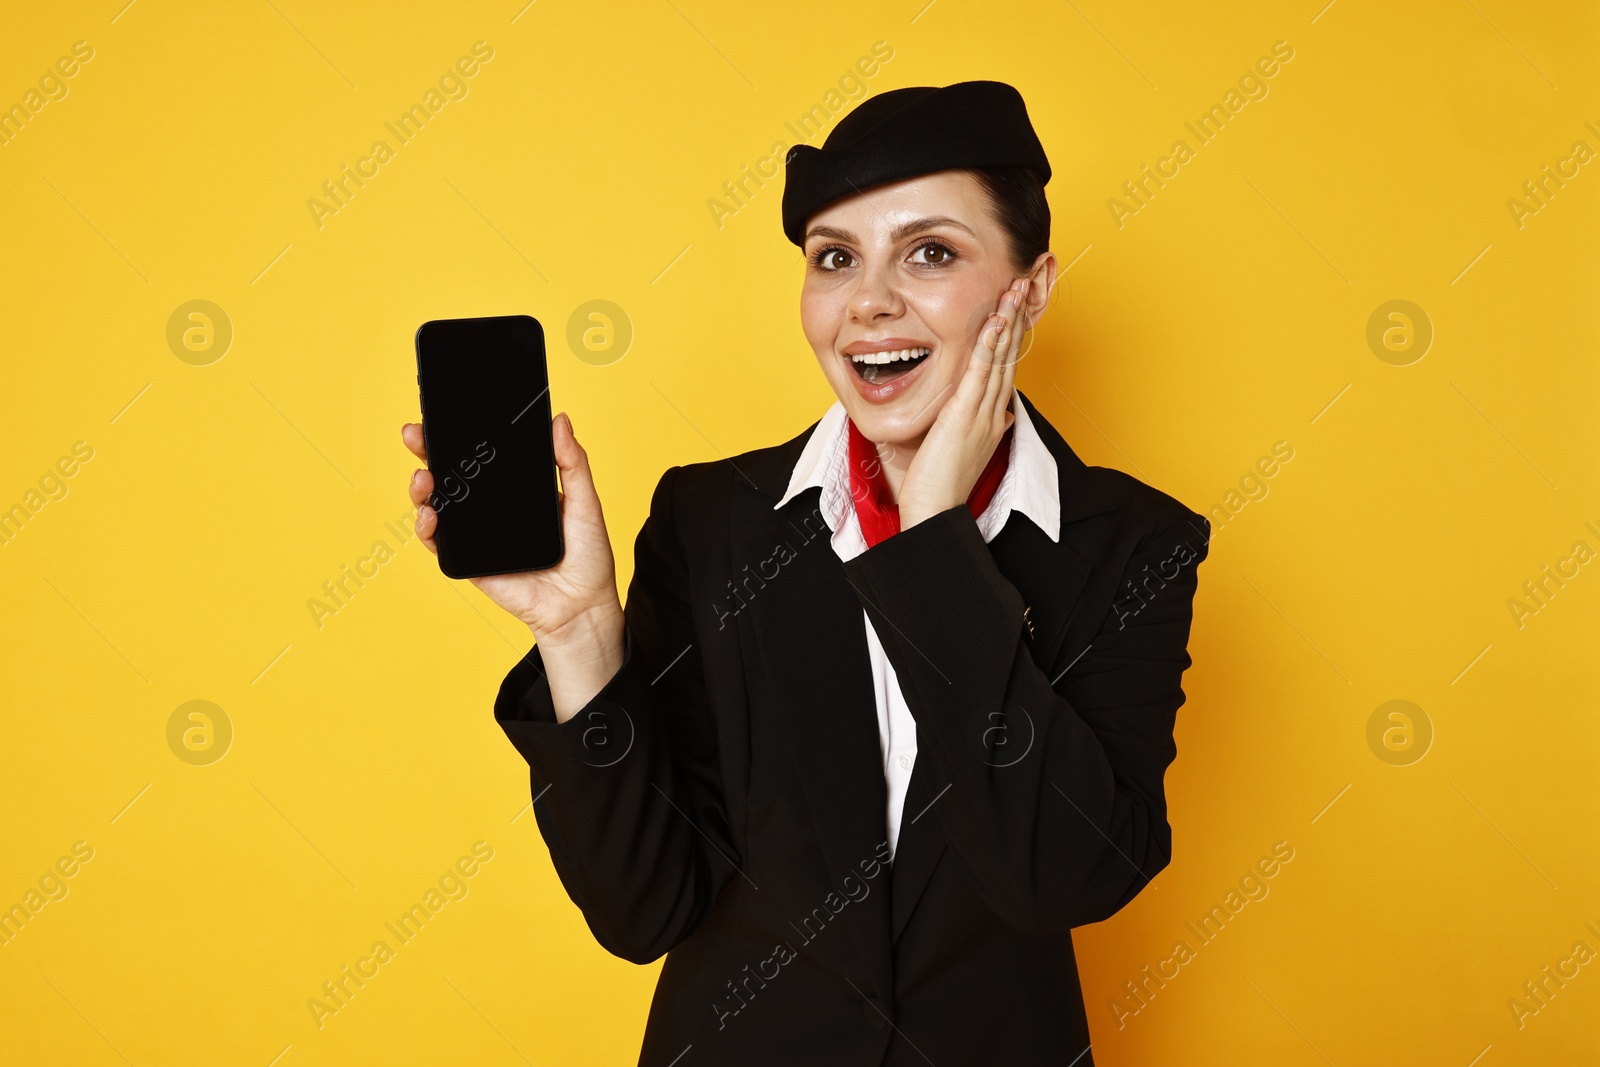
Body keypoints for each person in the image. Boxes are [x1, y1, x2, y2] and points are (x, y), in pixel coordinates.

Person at [400, 80, 1210, 1066]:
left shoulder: (1131, 543)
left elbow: (1062, 874)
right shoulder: (713, 522)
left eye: (929, 252)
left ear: (1030, 288)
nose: (869, 301)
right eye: (835, 258)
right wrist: (577, 633)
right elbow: (644, 906)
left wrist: (933, 544)